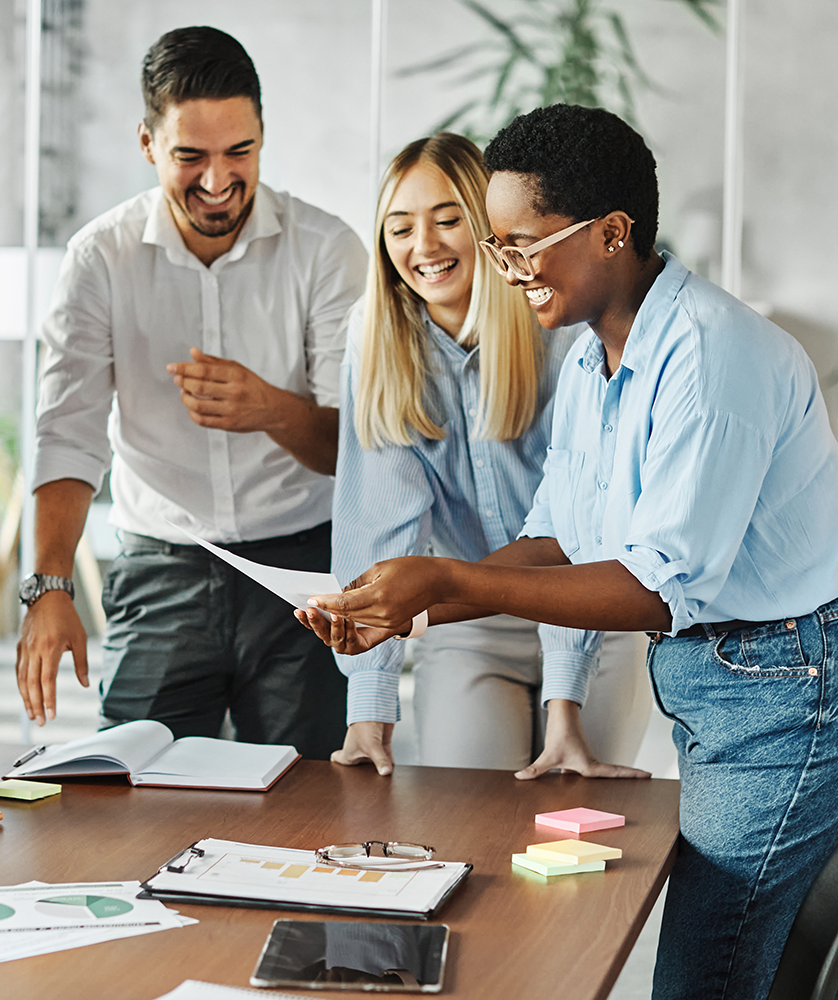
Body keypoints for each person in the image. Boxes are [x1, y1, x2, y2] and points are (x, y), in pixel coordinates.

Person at [298, 103, 838, 1000]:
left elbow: (653, 589)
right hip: (729, 680)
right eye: (498, 246)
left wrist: (443, 578)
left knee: (704, 972)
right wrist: (407, 607)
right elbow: (558, 541)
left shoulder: (707, 358)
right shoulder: (596, 359)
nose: (504, 271)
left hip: (787, 693)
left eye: (522, 245)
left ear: (613, 233)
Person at [16, 26, 367, 758]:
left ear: (263, 135)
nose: (217, 180)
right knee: (133, 795)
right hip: (161, 569)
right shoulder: (98, 259)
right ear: (147, 144)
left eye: (239, 152)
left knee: (308, 804)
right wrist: (49, 587)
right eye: (190, 156)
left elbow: (357, 449)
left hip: (302, 571)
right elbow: (67, 432)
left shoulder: (327, 251)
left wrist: (269, 408)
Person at [330, 132, 650, 777]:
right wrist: (369, 705)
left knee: (576, 826)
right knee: (467, 815)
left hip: (594, 619)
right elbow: (378, 530)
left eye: (448, 220)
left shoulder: (560, 330)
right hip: (469, 623)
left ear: (492, 230)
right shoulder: (376, 344)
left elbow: (576, 533)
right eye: (400, 228)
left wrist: (566, 703)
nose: (424, 247)